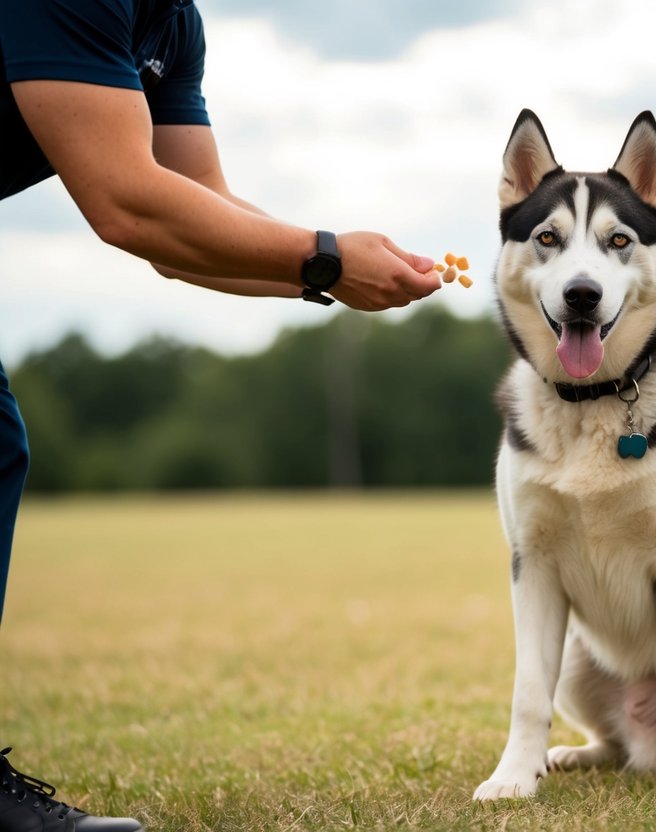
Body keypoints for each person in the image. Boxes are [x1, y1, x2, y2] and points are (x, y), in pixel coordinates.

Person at [0, 1, 440, 829]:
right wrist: (329, 258)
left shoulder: (172, 24)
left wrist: (331, 269)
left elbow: (192, 218)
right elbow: (126, 205)